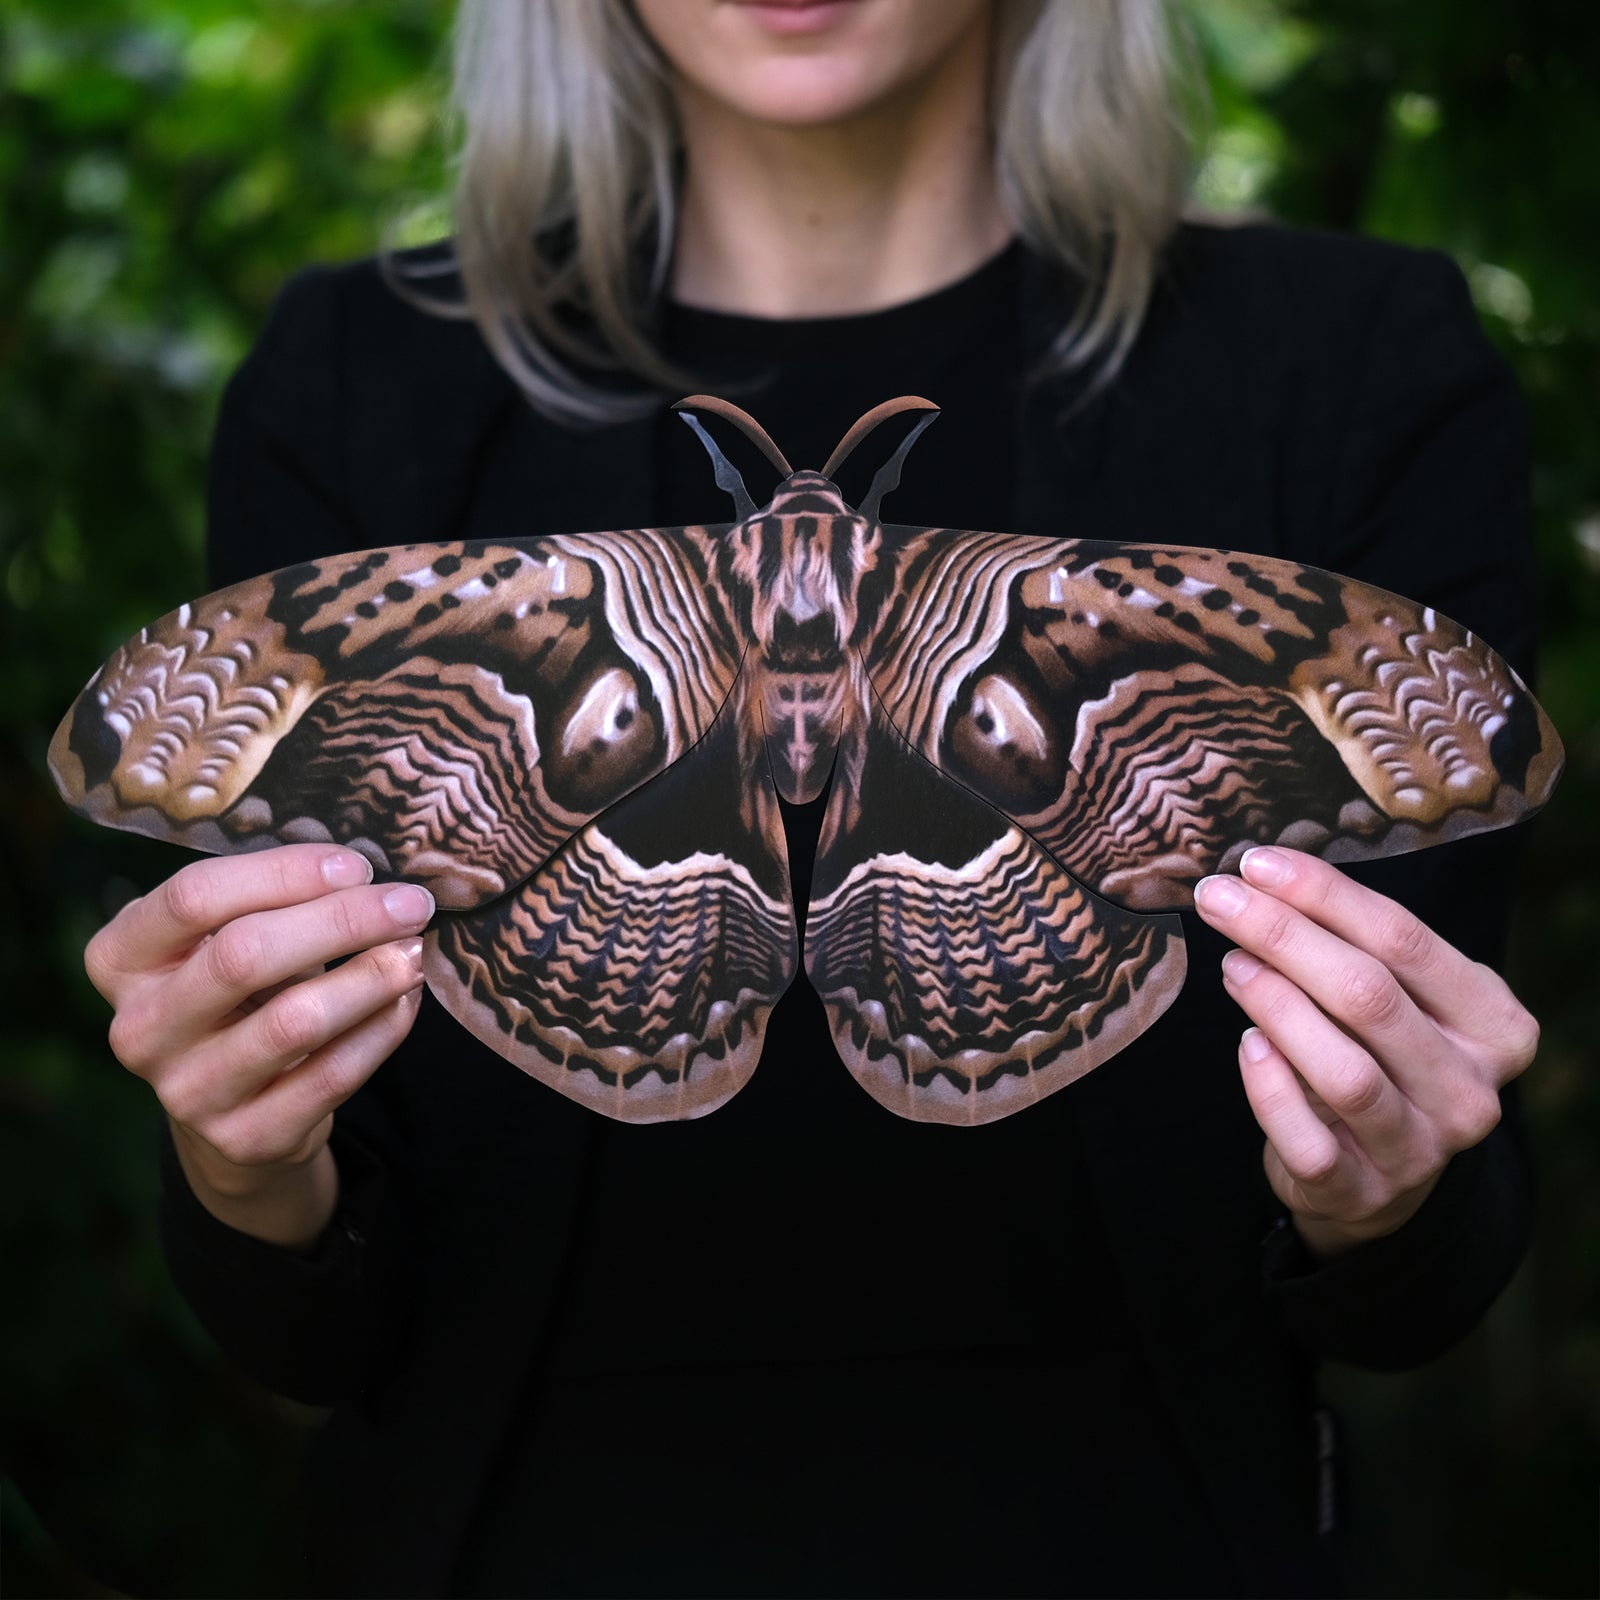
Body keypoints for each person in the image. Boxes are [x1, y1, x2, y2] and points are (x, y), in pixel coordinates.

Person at [81, 1, 1543, 1594]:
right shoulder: (354, 384)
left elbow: (1428, 1270)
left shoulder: (1351, 363)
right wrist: (246, 1169)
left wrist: (1388, 1189)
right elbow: (313, 1322)